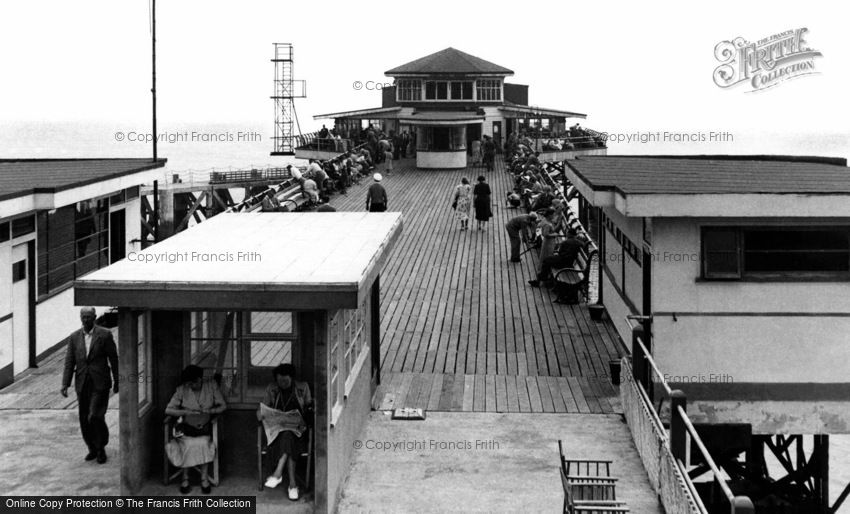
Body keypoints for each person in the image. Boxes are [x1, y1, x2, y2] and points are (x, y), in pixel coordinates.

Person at [61, 307, 118, 465]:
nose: (86, 320)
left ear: (94, 317)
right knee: (84, 418)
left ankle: (101, 447)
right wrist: (65, 383)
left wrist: (118, 380)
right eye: (83, 317)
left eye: (89, 317)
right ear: (80, 318)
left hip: (100, 382)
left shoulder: (105, 335)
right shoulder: (74, 338)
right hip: (82, 382)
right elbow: (69, 362)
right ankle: (91, 447)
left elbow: (113, 358)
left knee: (94, 415)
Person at [165, 365, 227, 494]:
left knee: (203, 444)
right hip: (186, 428)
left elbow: (223, 406)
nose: (192, 385)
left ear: (200, 379)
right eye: (189, 383)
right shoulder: (182, 390)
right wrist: (186, 411)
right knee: (187, 444)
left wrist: (210, 411)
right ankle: (185, 479)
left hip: (204, 428)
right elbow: (168, 409)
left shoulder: (211, 386)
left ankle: (204, 479)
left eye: (194, 382)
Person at [258, 364, 313, 501]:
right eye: (279, 381)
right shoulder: (272, 389)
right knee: (287, 437)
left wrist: (309, 411)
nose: (282, 384)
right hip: (278, 432)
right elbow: (262, 408)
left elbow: (310, 409)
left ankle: (278, 473)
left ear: (292, 378)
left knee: (289, 435)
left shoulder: (302, 387)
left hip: (299, 431)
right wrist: (260, 413)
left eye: (285, 381)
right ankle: (292, 485)